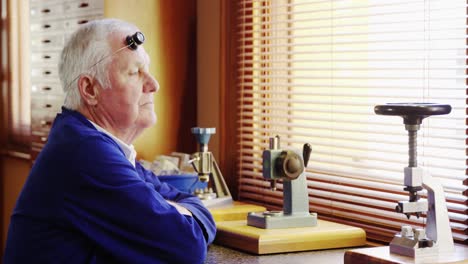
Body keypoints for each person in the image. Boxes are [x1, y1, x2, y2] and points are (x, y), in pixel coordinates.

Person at [3, 18, 216, 263]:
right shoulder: (84, 153)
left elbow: (188, 203)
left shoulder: (97, 144)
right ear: (90, 90)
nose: (153, 84)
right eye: (135, 72)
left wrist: (179, 211)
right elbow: (186, 245)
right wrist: (178, 213)